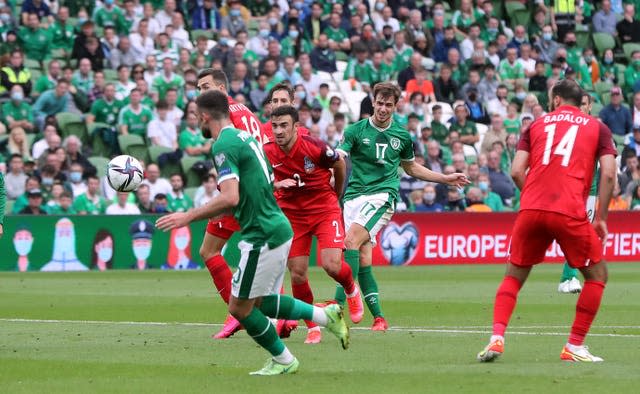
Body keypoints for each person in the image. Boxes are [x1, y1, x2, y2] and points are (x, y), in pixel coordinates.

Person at [156, 90, 349, 375]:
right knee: (258, 301)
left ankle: (285, 360)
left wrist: (189, 216)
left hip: (263, 235)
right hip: (274, 229)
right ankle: (324, 314)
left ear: (205, 117)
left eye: (196, 117)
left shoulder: (223, 144)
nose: (196, 123)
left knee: (239, 308)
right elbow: (260, 182)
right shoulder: (246, 136)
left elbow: (230, 197)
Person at [477, 79, 617, 363]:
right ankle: (574, 346)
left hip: (531, 208)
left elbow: (516, 170)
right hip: (569, 210)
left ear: (555, 100)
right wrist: (601, 217)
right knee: (597, 276)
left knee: (513, 276)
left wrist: (533, 198)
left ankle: (496, 337)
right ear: (582, 102)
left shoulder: (535, 125)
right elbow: (610, 174)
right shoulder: (597, 127)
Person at [335, 82, 469, 330]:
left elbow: (411, 167)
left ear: (396, 107)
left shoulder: (402, 136)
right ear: (373, 102)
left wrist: (444, 178)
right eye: (379, 103)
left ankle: (337, 305)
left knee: (350, 242)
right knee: (362, 257)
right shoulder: (354, 130)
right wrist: (336, 159)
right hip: (353, 198)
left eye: (388, 105)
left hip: (381, 197)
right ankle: (379, 318)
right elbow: (340, 154)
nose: (383, 108)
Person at [263, 105, 364, 344]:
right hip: (293, 215)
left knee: (331, 265)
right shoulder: (266, 151)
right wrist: (276, 186)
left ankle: (351, 288)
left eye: (284, 125)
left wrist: (336, 194)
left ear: (296, 127)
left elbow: (339, 164)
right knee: (297, 274)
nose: (278, 131)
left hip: (323, 209)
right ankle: (312, 326)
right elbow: (257, 179)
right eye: (275, 126)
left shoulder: (314, 146)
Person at [195, 68, 276, 339]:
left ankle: (238, 313)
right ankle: (278, 318)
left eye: (205, 87)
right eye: (198, 88)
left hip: (240, 193)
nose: (201, 93)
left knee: (211, 251)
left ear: (221, 88)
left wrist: (230, 192)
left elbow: (241, 153)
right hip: (255, 189)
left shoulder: (226, 115)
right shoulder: (247, 111)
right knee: (264, 253)